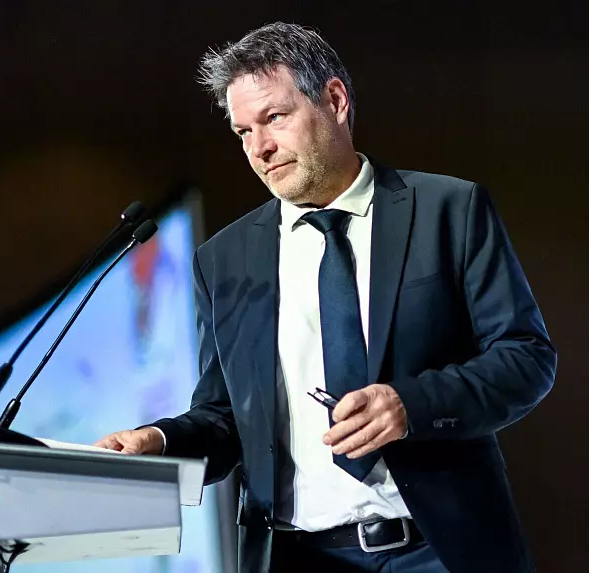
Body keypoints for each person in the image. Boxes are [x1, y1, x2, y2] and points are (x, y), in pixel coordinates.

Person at [94, 22, 555, 573]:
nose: (260, 148)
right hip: (298, 556)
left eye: (274, 118)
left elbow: (526, 357)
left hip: (439, 549)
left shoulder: (447, 210)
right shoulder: (224, 260)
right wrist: (161, 440)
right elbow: (226, 417)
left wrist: (412, 405)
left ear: (334, 101)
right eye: (243, 132)